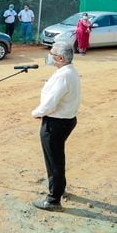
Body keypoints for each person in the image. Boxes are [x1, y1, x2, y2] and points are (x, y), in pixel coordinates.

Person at [31, 42, 81, 212]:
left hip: (56, 123)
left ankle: (53, 199)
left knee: (54, 162)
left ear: (60, 58)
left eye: (52, 54)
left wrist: (37, 113)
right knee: (57, 158)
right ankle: (59, 187)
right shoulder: (68, 71)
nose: (49, 56)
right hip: (65, 120)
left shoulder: (63, 76)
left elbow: (50, 103)